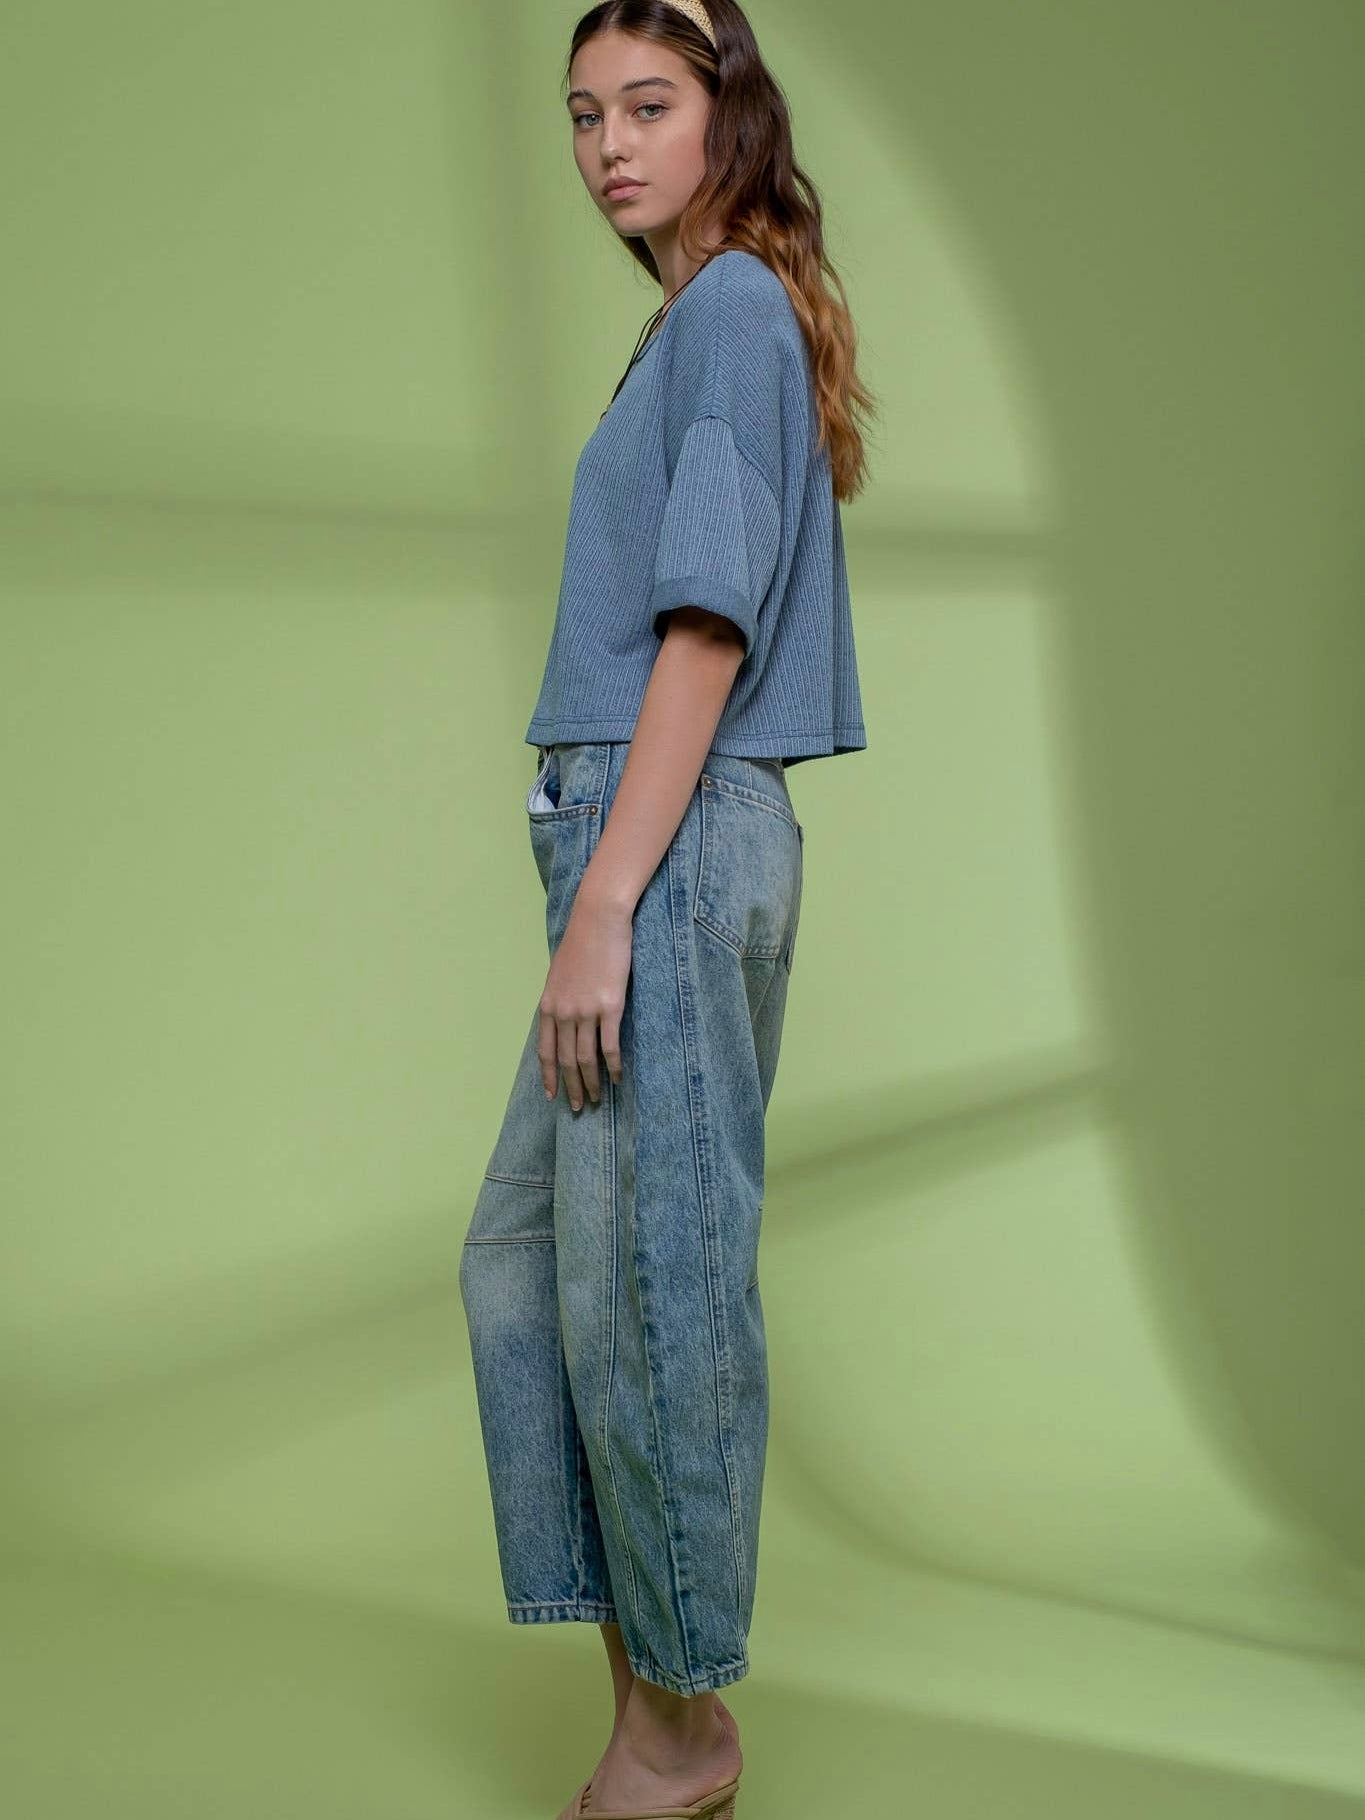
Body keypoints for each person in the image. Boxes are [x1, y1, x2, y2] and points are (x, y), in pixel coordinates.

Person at [459, 3, 874, 1814]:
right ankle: (657, 1707)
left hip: (667, 837)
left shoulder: (729, 312)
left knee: (652, 1278)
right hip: (648, 834)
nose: (607, 146)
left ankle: (679, 1729)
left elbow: (705, 624)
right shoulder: (702, 317)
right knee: (532, 1261)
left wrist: (607, 898)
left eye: (646, 104)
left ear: (729, 115)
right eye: (581, 115)